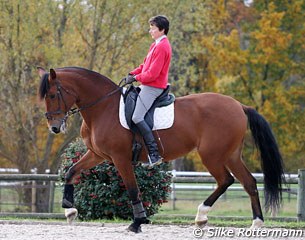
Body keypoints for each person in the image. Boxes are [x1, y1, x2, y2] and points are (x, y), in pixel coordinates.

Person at [125, 15, 172, 168]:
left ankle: (153, 153)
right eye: (150, 27)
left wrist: (136, 78)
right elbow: (144, 66)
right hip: (147, 84)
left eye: (153, 28)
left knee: (137, 116)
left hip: (153, 87)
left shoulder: (163, 47)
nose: (150, 30)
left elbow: (152, 74)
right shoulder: (155, 45)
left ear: (162, 30)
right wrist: (132, 73)